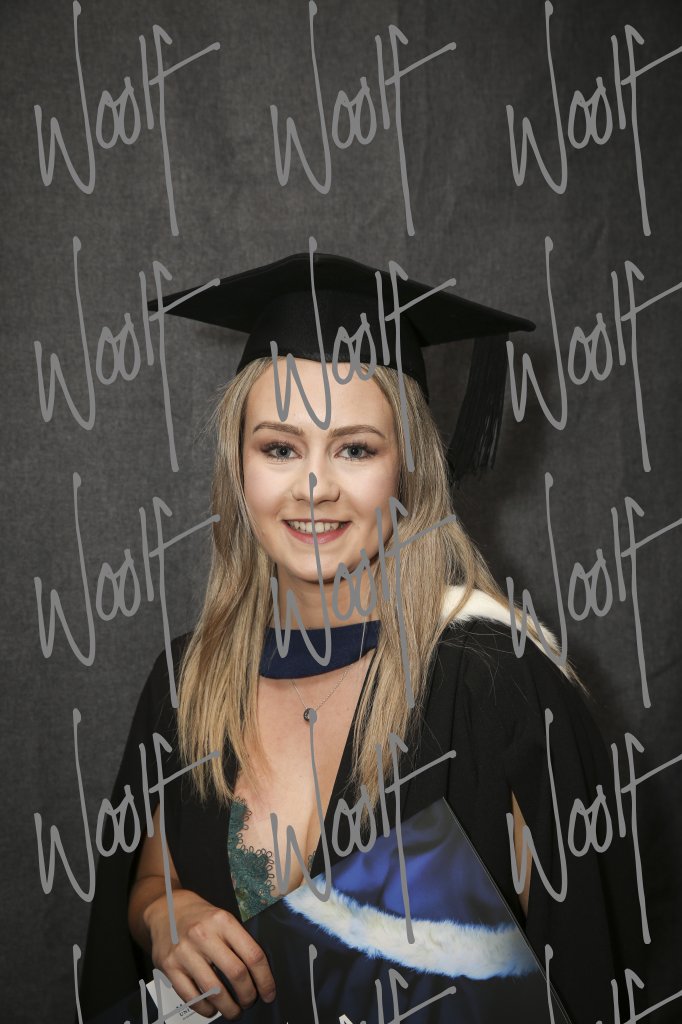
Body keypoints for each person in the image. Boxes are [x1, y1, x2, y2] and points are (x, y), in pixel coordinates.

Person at [79, 252, 643, 1024]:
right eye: (279, 447)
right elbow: (150, 880)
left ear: (408, 469)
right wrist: (163, 913)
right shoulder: (189, 678)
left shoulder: (498, 683)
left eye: (355, 448)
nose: (313, 487)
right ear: (239, 468)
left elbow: (581, 963)